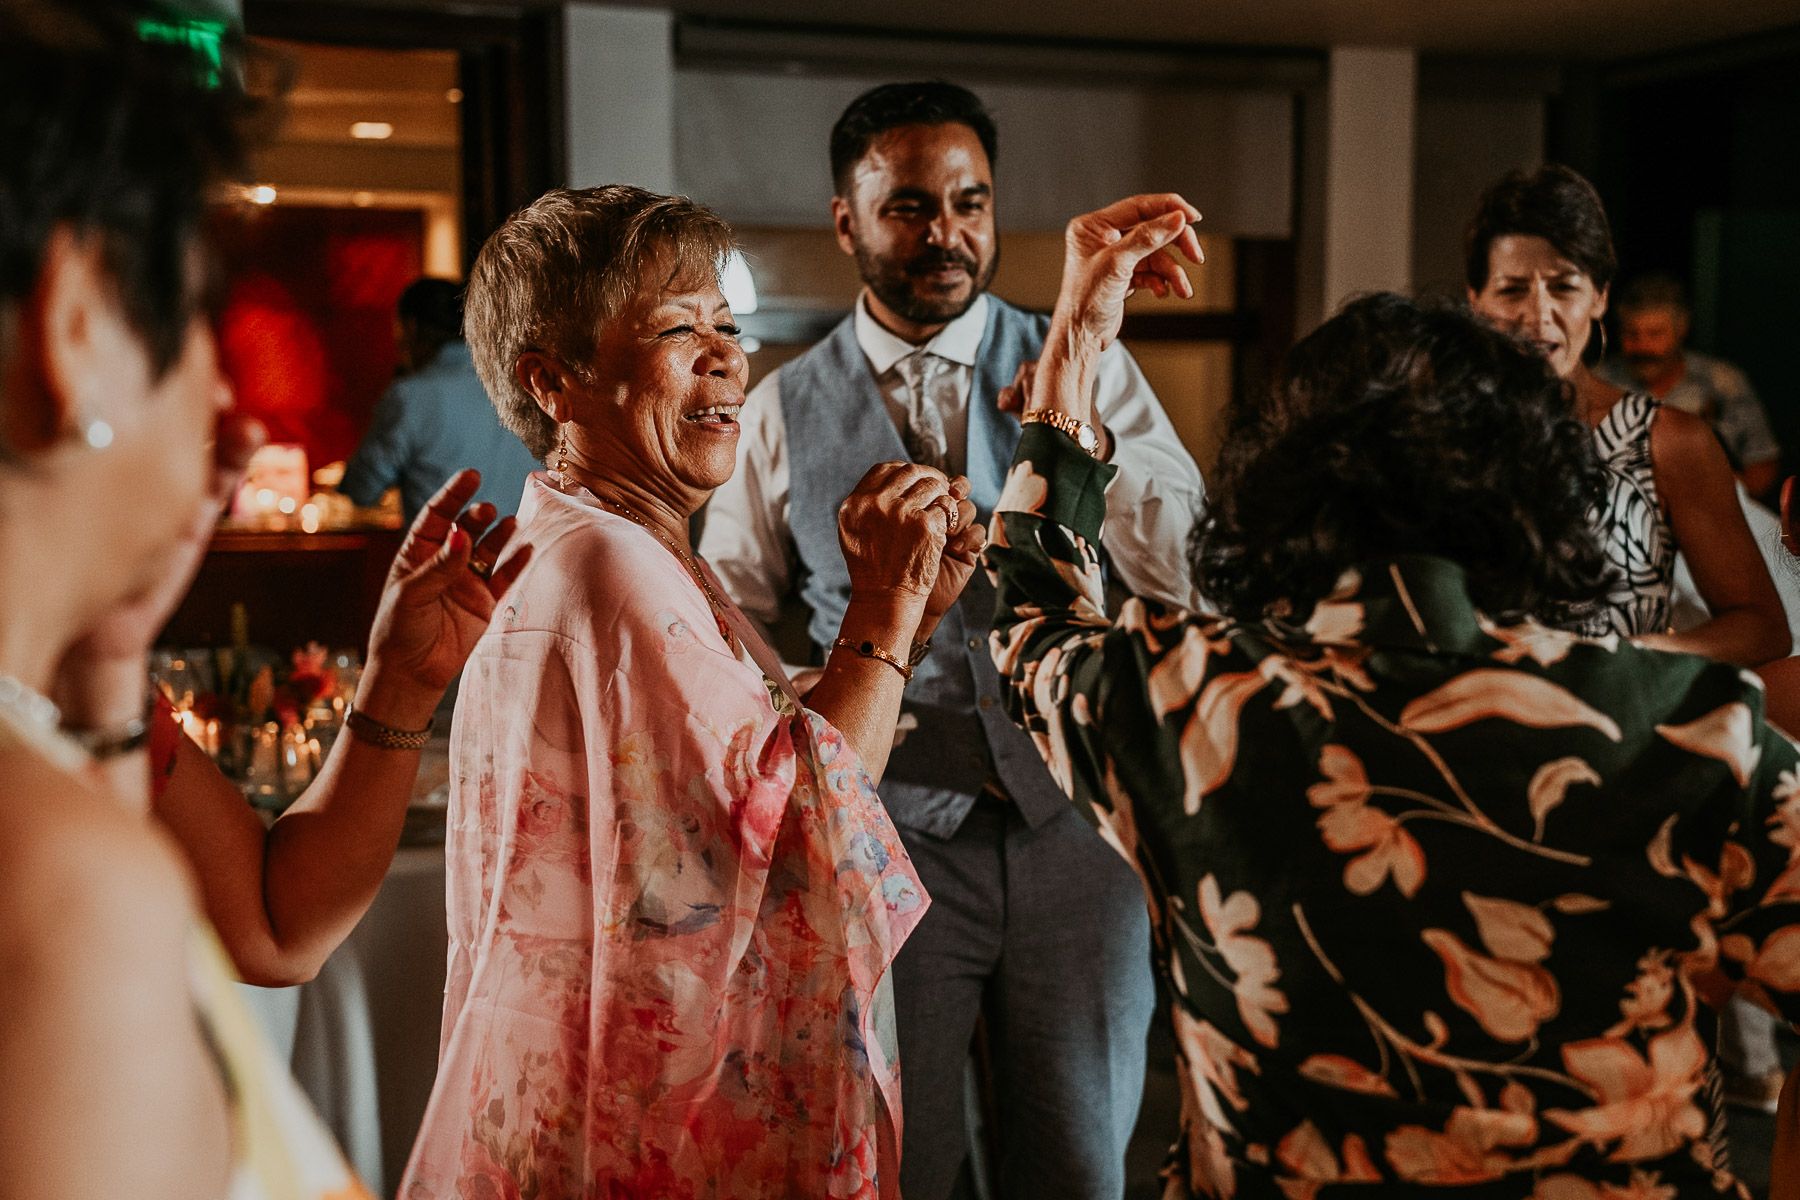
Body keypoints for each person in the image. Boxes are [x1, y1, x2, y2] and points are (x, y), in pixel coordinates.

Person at [986, 191, 1800, 1198]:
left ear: (1277, 490)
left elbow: (1030, 609)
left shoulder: (1186, 700)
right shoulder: (1687, 729)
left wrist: (1077, 336)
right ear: (1540, 494)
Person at [401, 185, 989, 1198]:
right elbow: (802, 817)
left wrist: (911, 618)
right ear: (554, 379)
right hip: (648, 1128)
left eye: (727, 323)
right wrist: (882, 606)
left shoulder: (607, 540)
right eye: (680, 329)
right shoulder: (607, 565)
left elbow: (746, 743)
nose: (728, 355)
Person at [700, 80, 1204, 1200]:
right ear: (847, 222)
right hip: (887, 844)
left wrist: (1082, 425)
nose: (948, 234)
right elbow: (724, 622)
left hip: (1079, 833)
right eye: (910, 208)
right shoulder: (782, 409)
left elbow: (1181, 569)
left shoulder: (1089, 357)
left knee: (1078, 1166)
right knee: (897, 1161)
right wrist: (836, 699)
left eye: (971, 204)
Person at [0, 3, 412, 1194]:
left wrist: (107, 665)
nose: (230, 408)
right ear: (74, 327)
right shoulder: (65, 891)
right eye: (189, 323)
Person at [1465, 165, 1788, 669]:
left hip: (1614, 735)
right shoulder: (1440, 435)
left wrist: (1627, 658)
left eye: (1563, 287)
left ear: (1600, 297)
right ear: (1476, 300)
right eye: (1511, 290)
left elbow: (1763, 628)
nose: (1538, 313)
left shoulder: (1668, 441)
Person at [340, 276, 541, 521]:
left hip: (448, 554)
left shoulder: (411, 395)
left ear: (411, 328)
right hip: (527, 552)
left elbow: (362, 489)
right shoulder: (524, 382)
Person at [1599, 272, 1780, 502]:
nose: (1642, 346)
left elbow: (1762, 467)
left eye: (1655, 334)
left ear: (1681, 330)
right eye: (1631, 334)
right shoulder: (1599, 383)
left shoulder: (1724, 383)